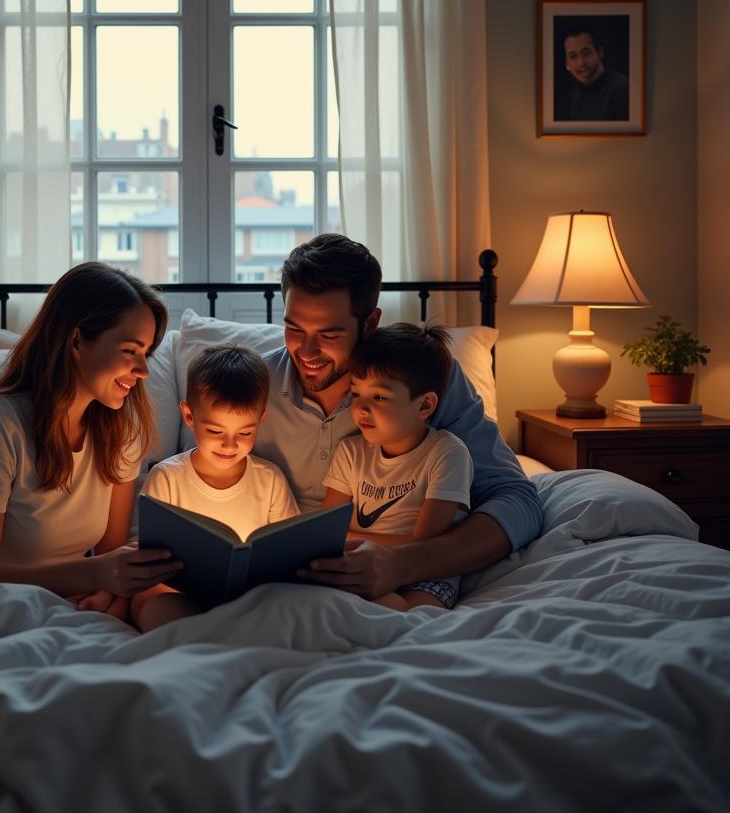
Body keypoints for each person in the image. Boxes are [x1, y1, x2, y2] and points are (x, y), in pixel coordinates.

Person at [250, 233, 542, 601]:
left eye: (329, 333)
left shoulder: (423, 379)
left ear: (370, 323)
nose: (306, 351)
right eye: (294, 329)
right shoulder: (251, 385)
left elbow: (517, 500)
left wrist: (406, 562)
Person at [0, 262, 183, 616]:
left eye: (147, 354)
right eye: (131, 351)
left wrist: (103, 588)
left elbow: (107, 554)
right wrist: (96, 574)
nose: (144, 371)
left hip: (68, 585)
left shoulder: (121, 427)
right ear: (76, 341)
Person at [132, 344, 300, 631]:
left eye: (245, 432)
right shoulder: (167, 478)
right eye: (214, 431)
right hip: (179, 597)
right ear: (188, 416)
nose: (230, 445)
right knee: (155, 608)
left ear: (260, 421)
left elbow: (292, 551)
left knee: (294, 606)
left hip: (250, 600)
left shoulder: (269, 479)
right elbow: (147, 560)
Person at [322, 323, 473, 611]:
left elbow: (422, 544)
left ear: (425, 406)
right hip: (358, 562)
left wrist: (352, 539)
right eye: (356, 394)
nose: (361, 408)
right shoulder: (351, 451)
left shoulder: (446, 453)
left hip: (424, 572)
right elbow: (327, 530)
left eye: (379, 397)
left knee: (399, 613)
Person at [559, 27, 629, 121]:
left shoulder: (621, 88)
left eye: (587, 53)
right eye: (573, 56)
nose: (581, 63)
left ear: (600, 53)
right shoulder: (572, 96)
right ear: (567, 64)